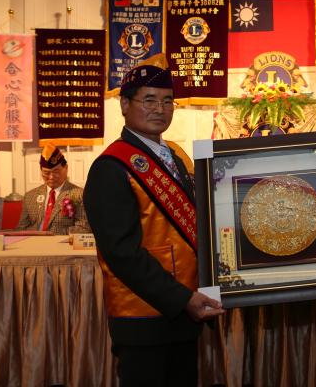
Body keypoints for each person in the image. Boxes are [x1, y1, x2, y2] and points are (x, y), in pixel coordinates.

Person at [83, 61, 224, 387]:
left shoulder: (174, 156)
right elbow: (122, 253)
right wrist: (183, 298)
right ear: (124, 104)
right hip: (143, 318)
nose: (160, 109)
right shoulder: (110, 167)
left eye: (167, 101)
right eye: (149, 100)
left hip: (184, 313)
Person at [16, 143, 90, 234]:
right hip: (33, 241)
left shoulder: (79, 195)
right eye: (46, 173)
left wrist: (52, 235)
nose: (51, 177)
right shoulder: (30, 196)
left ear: (66, 168)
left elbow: (83, 228)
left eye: (56, 172)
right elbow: (21, 229)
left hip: (63, 242)